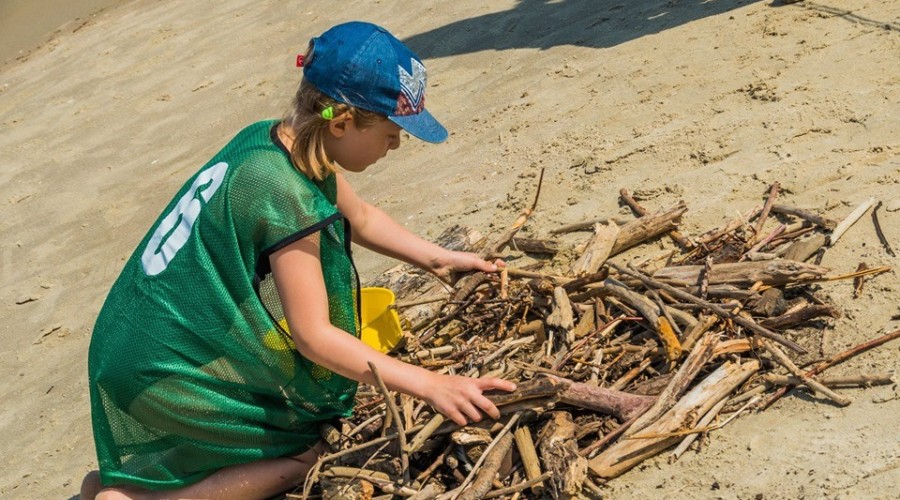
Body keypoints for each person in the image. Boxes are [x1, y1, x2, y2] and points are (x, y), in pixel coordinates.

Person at [80, 21, 515, 500]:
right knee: (303, 453)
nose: (396, 146)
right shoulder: (285, 194)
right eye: (392, 134)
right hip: (163, 360)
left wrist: (438, 258)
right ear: (342, 123)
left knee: (252, 435)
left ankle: (107, 485)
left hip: (138, 334)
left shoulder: (275, 141)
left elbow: (362, 217)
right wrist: (429, 384)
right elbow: (313, 336)